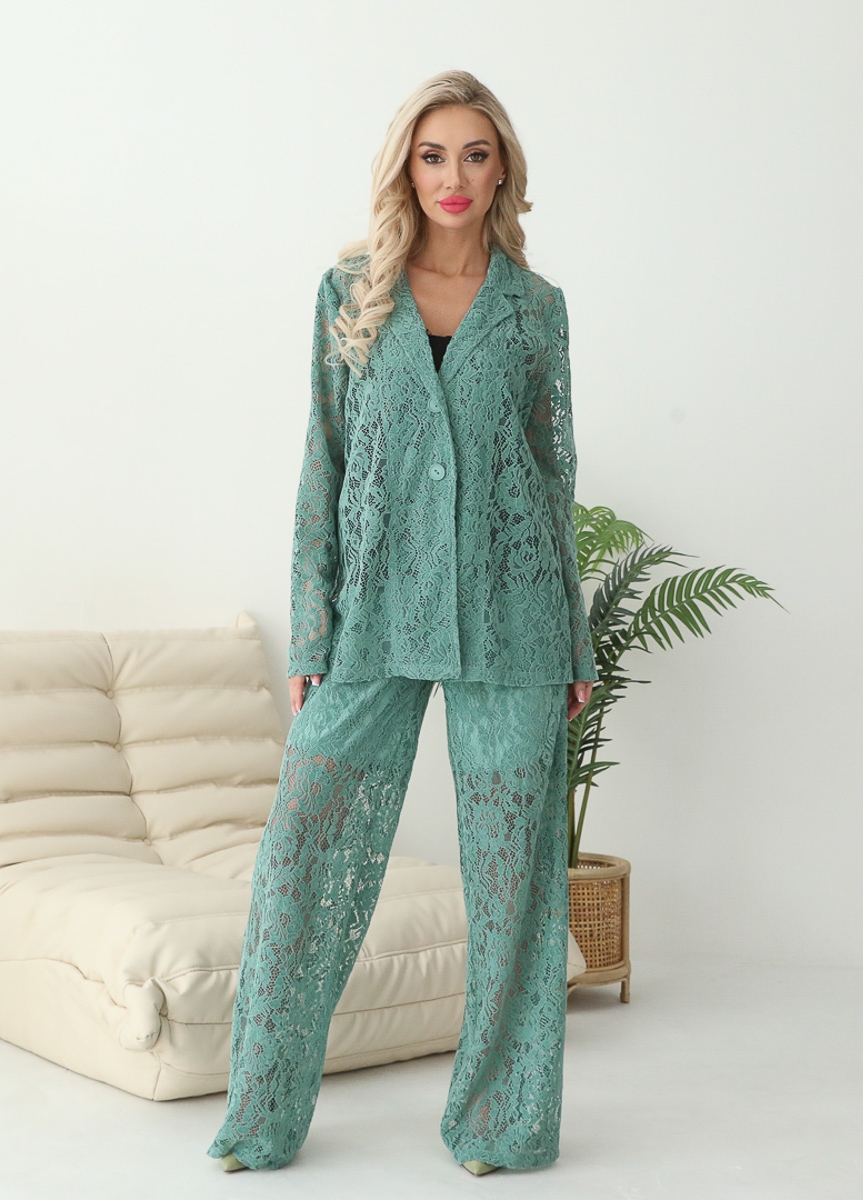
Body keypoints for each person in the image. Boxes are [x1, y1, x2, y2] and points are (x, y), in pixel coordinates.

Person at [206, 68, 597, 1178]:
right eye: (432, 155)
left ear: (503, 168)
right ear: (405, 169)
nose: (452, 176)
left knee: (515, 882)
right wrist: (313, 629)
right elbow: (323, 465)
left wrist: (573, 639)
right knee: (301, 856)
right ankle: (261, 1116)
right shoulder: (350, 293)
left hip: (516, 622)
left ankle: (501, 1124)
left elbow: (553, 480)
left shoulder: (535, 309)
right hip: (374, 615)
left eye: (474, 153)